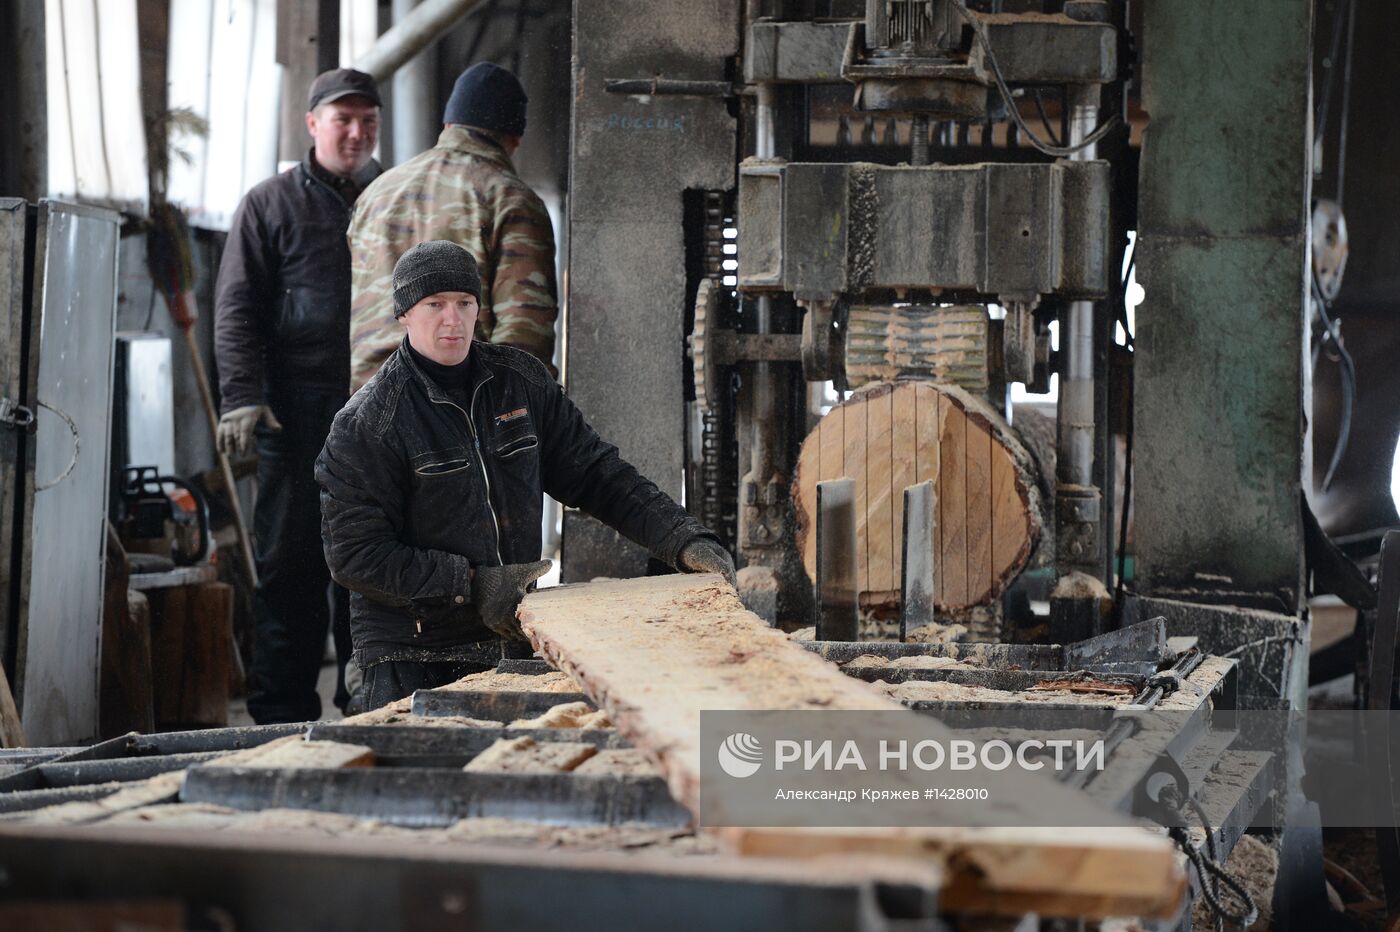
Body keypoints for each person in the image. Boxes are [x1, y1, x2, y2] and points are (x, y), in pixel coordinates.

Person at [315, 242, 735, 711]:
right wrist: (470, 585)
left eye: (464, 304)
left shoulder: (521, 382)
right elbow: (355, 556)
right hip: (412, 654)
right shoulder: (370, 422)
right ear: (404, 315)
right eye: (434, 305)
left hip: (511, 640)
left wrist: (681, 538)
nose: (452, 320)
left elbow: (597, 474)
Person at [214, 68, 383, 723]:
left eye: (368, 120)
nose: (356, 131)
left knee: (369, 564)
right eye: (343, 119)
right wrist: (241, 398)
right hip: (292, 415)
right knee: (290, 566)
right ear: (312, 124)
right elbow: (236, 308)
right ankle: (279, 715)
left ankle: (367, 704)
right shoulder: (268, 204)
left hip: (376, 414)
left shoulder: (391, 197)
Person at [346, 62, 557, 392]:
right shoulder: (510, 198)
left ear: (448, 124)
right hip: (456, 410)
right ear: (515, 138)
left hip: (369, 406)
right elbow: (525, 332)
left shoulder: (377, 192)